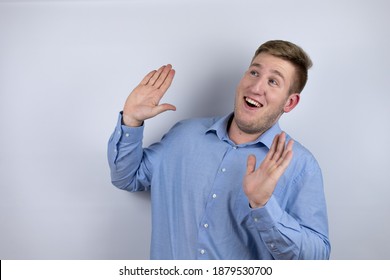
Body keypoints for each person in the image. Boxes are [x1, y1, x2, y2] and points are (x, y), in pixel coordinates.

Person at [107, 40, 331, 260]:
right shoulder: (183, 136)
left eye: (273, 81)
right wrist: (131, 121)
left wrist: (263, 206)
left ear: (289, 103)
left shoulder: (301, 165)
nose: (256, 87)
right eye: (254, 73)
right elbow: (127, 178)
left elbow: (316, 257)